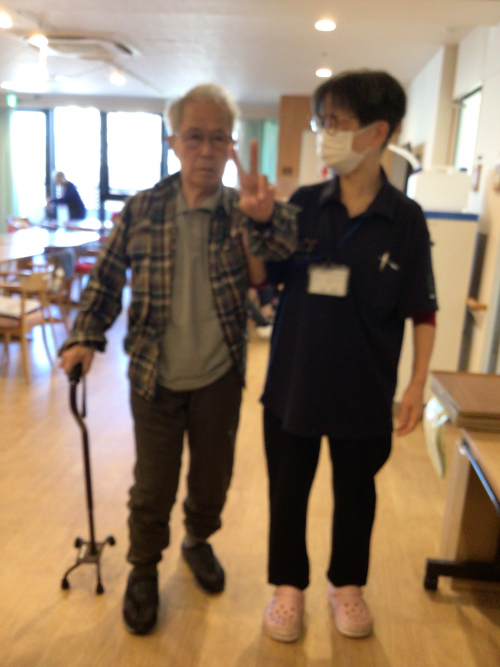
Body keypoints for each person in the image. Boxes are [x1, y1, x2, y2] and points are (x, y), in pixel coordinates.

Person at [59, 83, 298, 635]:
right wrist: (83, 336)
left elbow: (285, 249)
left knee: (213, 481)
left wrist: (266, 218)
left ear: (231, 145)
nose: (206, 151)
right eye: (194, 137)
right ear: (173, 143)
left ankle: (197, 540)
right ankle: (144, 569)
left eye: (218, 139)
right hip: (155, 376)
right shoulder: (143, 209)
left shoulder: (243, 209)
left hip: (219, 375)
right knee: (152, 488)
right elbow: (105, 279)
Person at [260, 70, 437, 642]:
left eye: (334, 122)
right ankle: (288, 587)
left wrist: (416, 386)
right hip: (293, 383)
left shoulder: (405, 220)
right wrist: (254, 226)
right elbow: (265, 278)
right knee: (288, 492)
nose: (324, 133)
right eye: (322, 121)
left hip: (365, 387)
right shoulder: (304, 205)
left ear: (377, 131)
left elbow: (423, 310)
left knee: (357, 496)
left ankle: (347, 586)